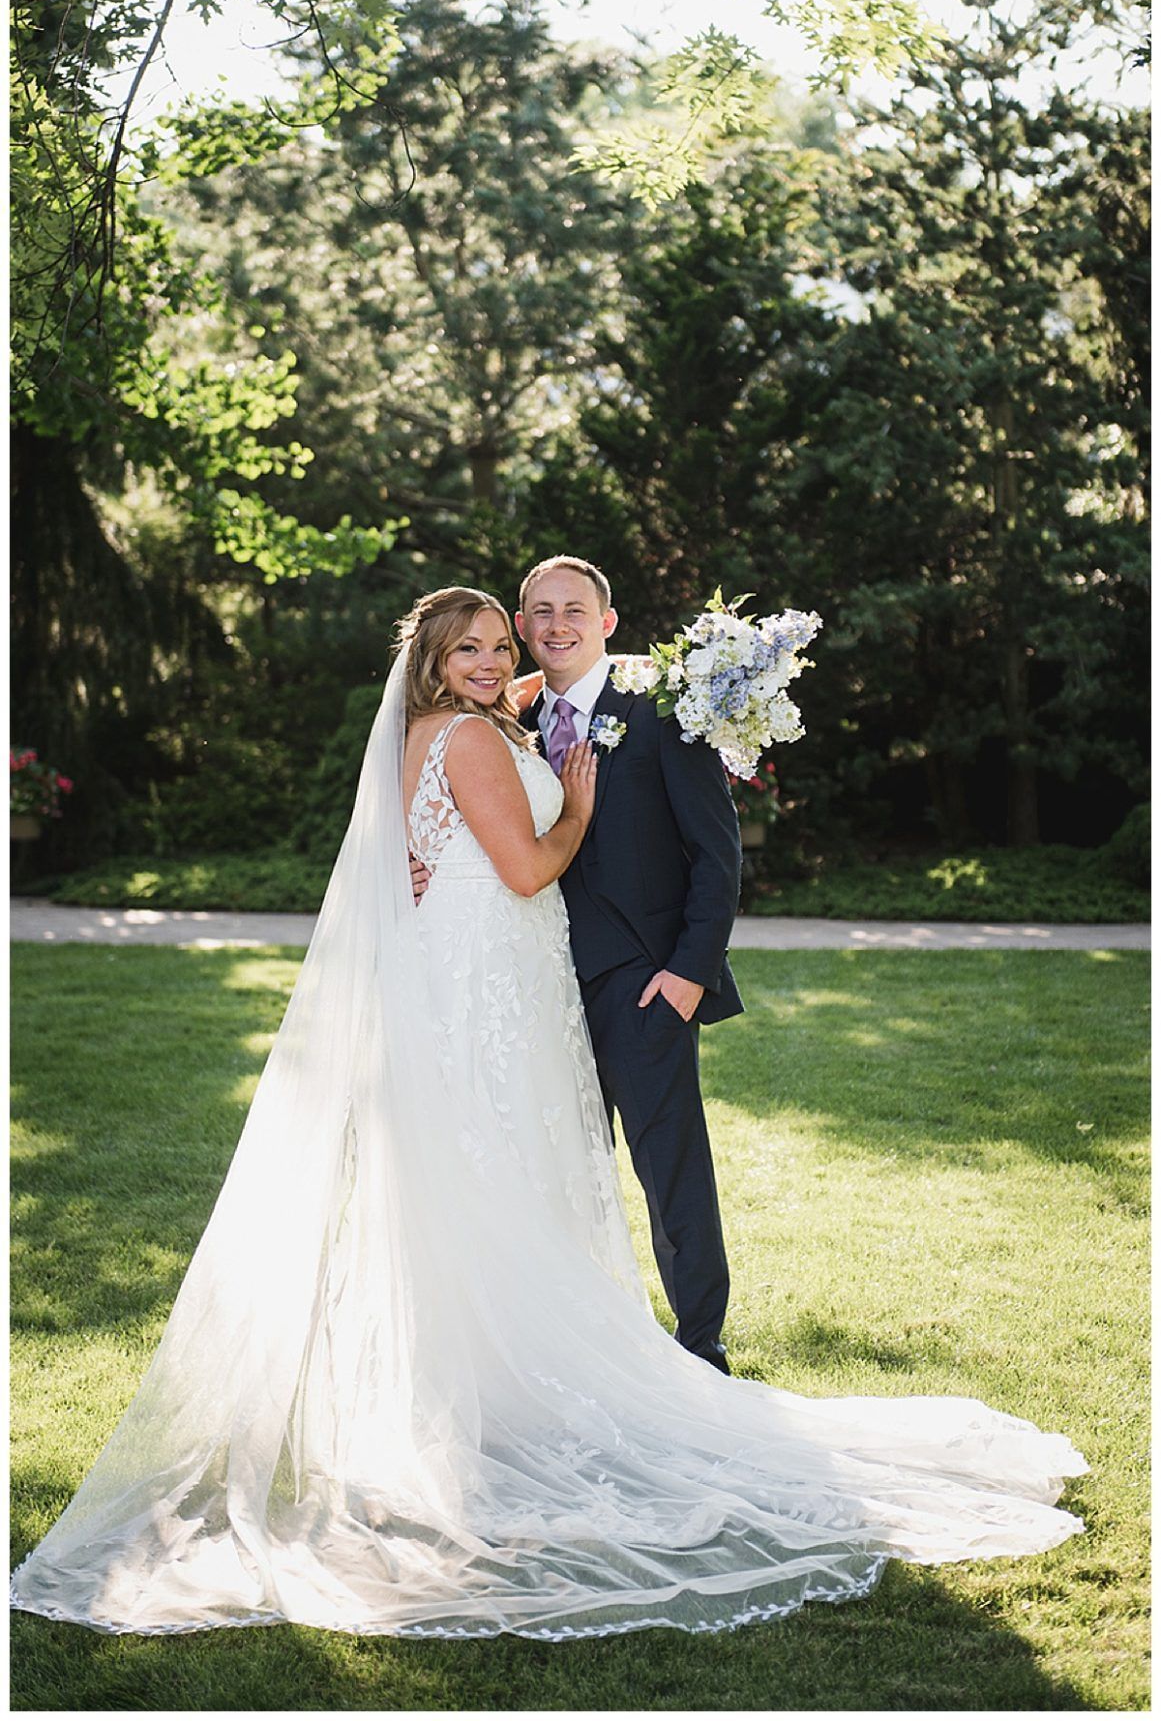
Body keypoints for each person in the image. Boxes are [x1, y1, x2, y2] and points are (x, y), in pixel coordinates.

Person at [11, 586, 1087, 1641]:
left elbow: (553, 786)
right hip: (498, 979)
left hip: (490, 983)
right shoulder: (473, 739)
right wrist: (572, 798)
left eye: (502, 643)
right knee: (507, 1178)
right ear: (433, 661)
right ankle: (511, 1396)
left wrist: (561, 687)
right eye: (472, 646)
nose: (494, 660)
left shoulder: (469, 720)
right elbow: (525, 868)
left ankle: (489, 1397)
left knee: (492, 1182)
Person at [514, 555, 741, 1373]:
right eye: (539, 611)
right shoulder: (511, 717)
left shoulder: (660, 711)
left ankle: (700, 1346)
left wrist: (687, 971)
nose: (556, 625)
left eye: (573, 608)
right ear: (519, 626)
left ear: (607, 622)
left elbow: (716, 854)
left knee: (669, 1165)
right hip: (537, 983)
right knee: (560, 1170)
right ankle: (580, 1339)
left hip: (644, 982)